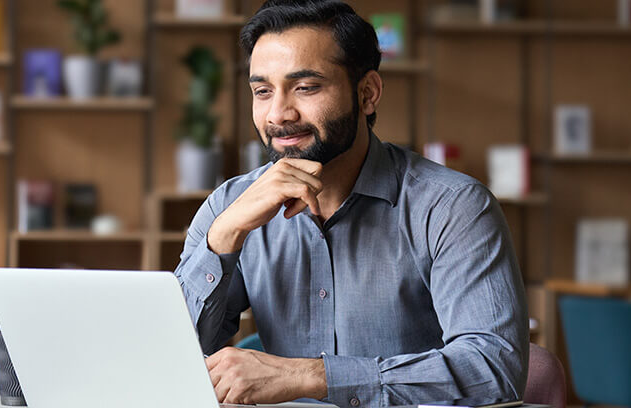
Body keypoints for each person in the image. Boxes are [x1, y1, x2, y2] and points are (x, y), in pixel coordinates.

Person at [173, 0, 528, 406]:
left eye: (305, 87)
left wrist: (312, 377)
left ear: (367, 93)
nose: (279, 114)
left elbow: (493, 370)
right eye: (262, 91)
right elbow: (169, 360)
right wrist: (223, 238)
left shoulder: (453, 207)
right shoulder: (229, 207)